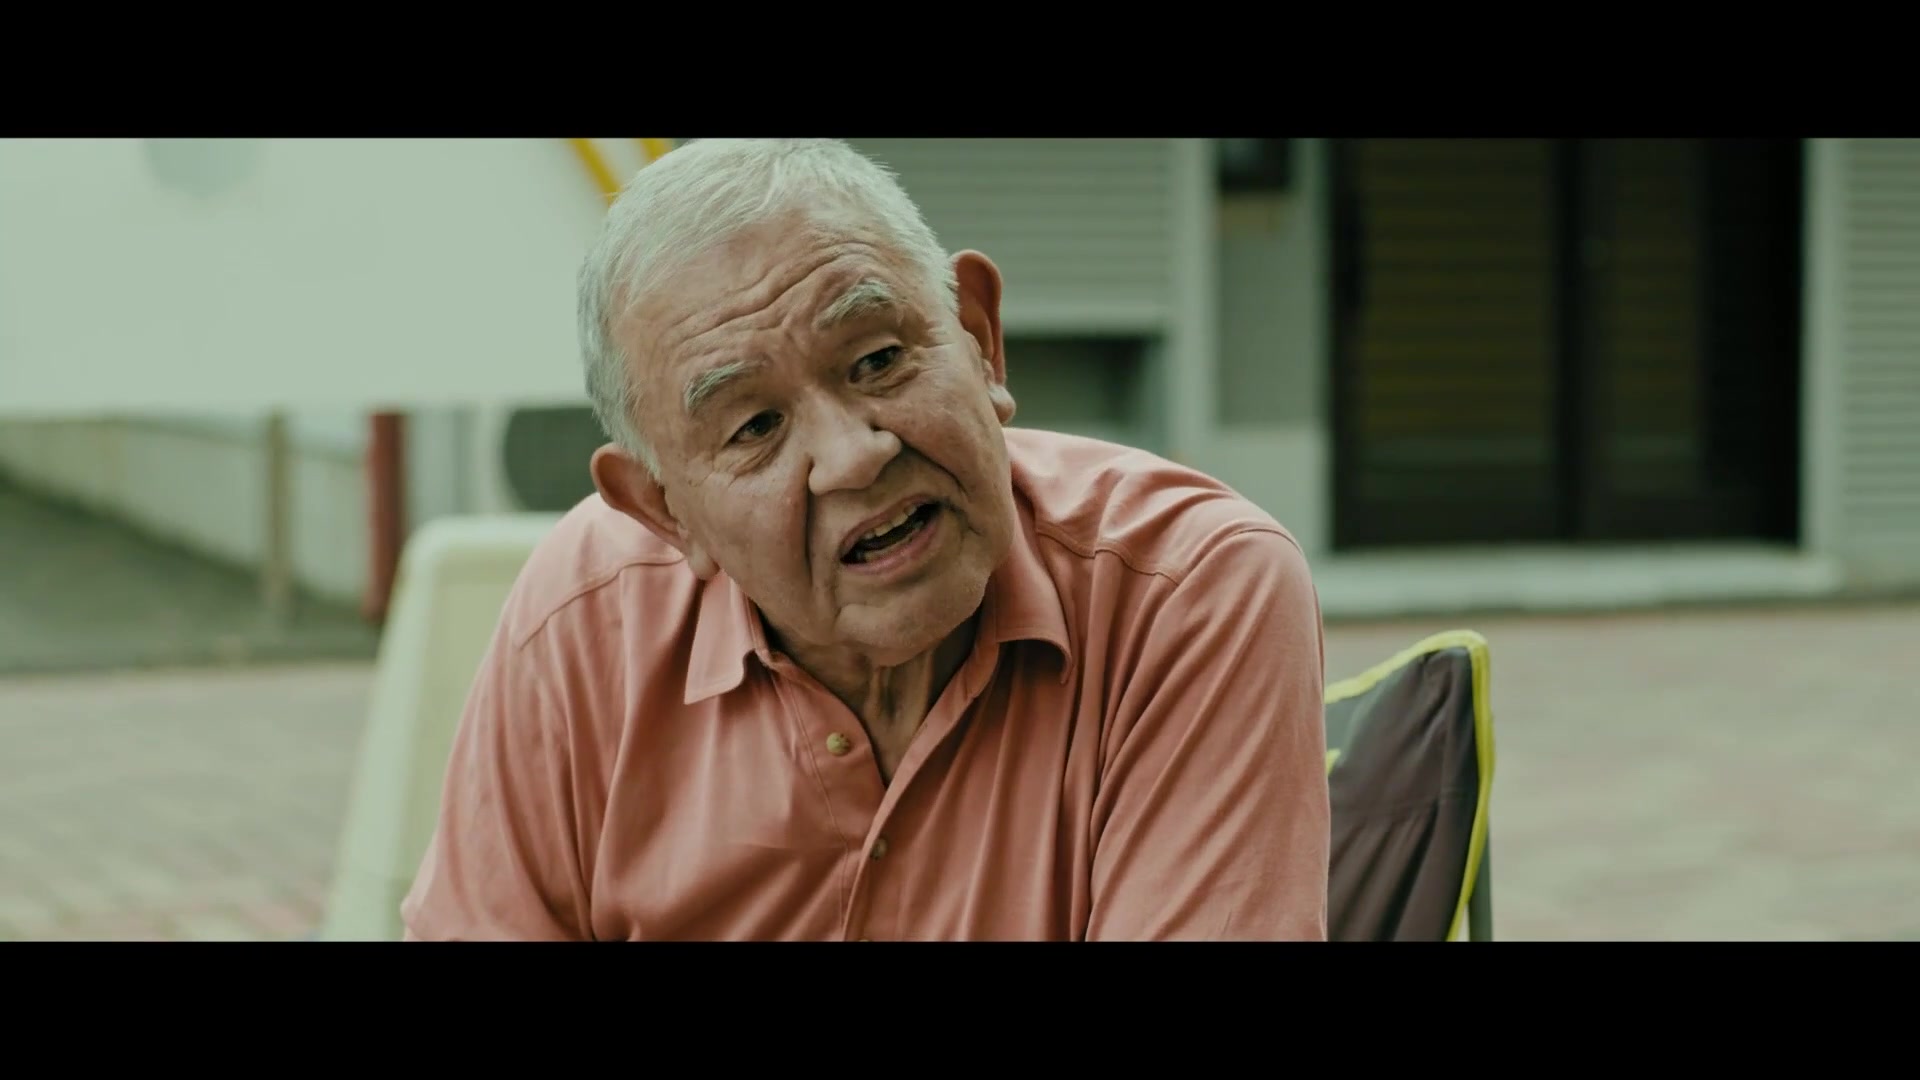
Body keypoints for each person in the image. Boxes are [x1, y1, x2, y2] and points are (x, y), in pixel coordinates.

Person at [400, 138, 1330, 941]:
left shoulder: (1189, 592)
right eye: (755, 427)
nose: (852, 457)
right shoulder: (584, 618)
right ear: (666, 511)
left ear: (979, 339)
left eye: (878, 360)